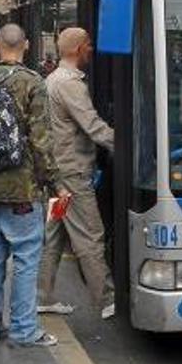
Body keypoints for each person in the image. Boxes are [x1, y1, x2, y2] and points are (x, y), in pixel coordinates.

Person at [0, 23, 62, 347]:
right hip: (22, 186)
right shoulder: (32, 82)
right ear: (24, 46)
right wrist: (52, 180)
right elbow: (41, 139)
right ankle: (24, 330)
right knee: (25, 257)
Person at [37, 27, 116, 319]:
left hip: (59, 173)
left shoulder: (52, 79)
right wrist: (128, 145)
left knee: (55, 234)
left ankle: (43, 295)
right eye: (89, 45)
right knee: (90, 235)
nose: (92, 50)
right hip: (73, 176)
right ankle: (106, 299)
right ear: (78, 49)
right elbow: (93, 126)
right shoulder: (70, 84)